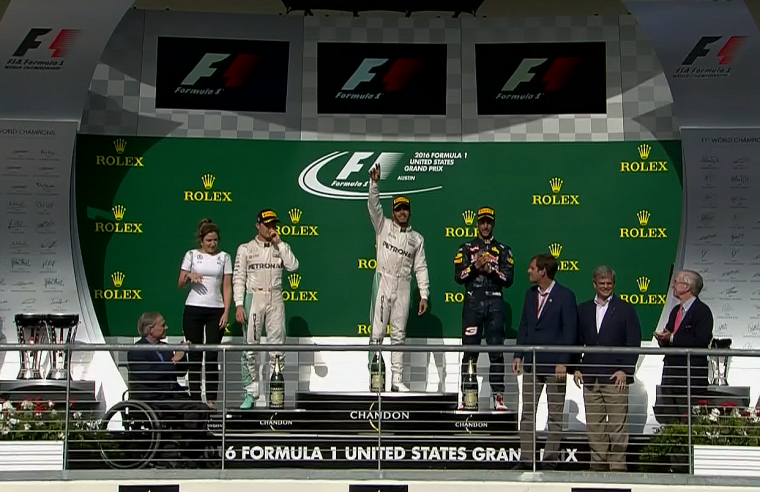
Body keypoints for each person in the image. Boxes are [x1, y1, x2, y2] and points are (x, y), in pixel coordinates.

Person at [367, 164, 430, 392]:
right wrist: (374, 185)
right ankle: (375, 377)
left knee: (399, 334)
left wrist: (424, 294)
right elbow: (373, 207)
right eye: (398, 209)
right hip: (383, 281)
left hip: (404, 285)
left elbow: (420, 267)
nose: (402, 212)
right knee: (377, 333)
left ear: (410, 212)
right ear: (393, 212)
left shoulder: (417, 238)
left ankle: (397, 380)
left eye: (405, 209)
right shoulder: (382, 226)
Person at [512, 253, 578, 471]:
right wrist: (518, 354)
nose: (528, 271)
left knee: (555, 415)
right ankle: (526, 459)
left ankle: (550, 460)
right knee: (527, 413)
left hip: (555, 366)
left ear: (543, 271)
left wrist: (564, 362)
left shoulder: (565, 296)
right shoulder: (530, 294)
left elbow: (570, 331)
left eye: (532, 268)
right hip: (531, 363)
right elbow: (524, 325)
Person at [573, 265, 641, 472]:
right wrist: (576, 367)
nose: (605, 287)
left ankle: (618, 468)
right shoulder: (583, 309)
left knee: (618, 426)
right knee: (594, 425)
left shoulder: (626, 309)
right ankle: (598, 466)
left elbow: (633, 342)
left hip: (615, 377)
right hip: (590, 377)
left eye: (609, 284)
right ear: (594, 284)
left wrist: (626, 370)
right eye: (601, 283)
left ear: (614, 284)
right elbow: (575, 341)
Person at [234, 209, 299, 409]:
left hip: (276, 297)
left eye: (273, 224)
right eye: (267, 224)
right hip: (254, 297)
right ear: (258, 225)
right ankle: (250, 394)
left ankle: (275, 395)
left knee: (277, 349)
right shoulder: (245, 248)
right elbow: (238, 278)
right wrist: (238, 304)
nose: (271, 228)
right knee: (250, 348)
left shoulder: (281, 246)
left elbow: (294, 266)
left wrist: (279, 243)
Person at [127, 312, 211, 461]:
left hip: (171, 395)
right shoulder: (137, 350)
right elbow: (150, 375)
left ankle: (190, 448)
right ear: (150, 329)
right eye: (163, 325)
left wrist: (182, 354)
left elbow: (179, 372)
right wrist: (174, 359)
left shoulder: (165, 347)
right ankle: (185, 452)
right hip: (152, 398)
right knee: (195, 410)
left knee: (201, 407)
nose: (167, 327)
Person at [453, 206, 514, 410]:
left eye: (489, 222)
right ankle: (468, 396)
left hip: (495, 302)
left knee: (496, 351)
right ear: (477, 223)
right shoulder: (466, 248)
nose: (485, 225)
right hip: (473, 302)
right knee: (470, 352)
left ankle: (498, 397)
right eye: (482, 222)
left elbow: (509, 279)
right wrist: (475, 267)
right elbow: (458, 277)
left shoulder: (504, 249)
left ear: (493, 223)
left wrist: (492, 270)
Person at [178, 218, 232, 409]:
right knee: (194, 355)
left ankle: (211, 400)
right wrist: (189, 275)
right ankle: (194, 399)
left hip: (215, 310)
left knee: (211, 356)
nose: (212, 244)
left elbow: (227, 286)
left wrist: (226, 311)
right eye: (209, 240)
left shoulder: (224, 257)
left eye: (215, 240)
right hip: (193, 308)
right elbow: (180, 283)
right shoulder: (191, 255)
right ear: (201, 240)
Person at [654, 270, 713, 424]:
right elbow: (670, 334)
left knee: (688, 422)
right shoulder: (675, 311)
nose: (673, 285)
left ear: (687, 287)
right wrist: (663, 339)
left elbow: (701, 340)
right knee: (670, 421)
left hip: (689, 378)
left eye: (677, 282)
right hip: (671, 376)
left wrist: (672, 338)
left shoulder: (703, 312)